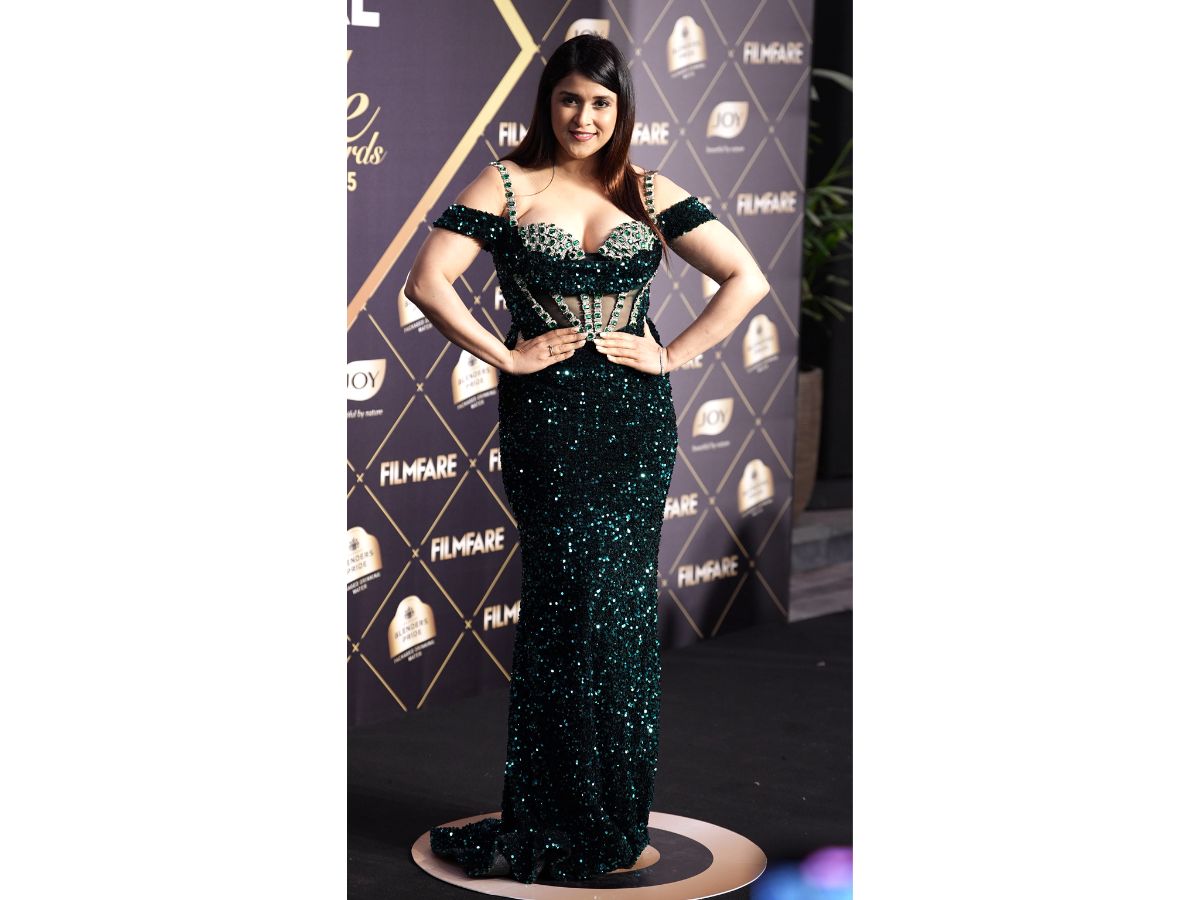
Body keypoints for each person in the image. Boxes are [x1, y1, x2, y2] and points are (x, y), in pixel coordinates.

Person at [406, 34, 770, 884]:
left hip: (635, 423)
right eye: (571, 99)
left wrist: (671, 354)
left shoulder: (646, 189)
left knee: (621, 612)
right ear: (548, 101)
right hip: (549, 422)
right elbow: (427, 281)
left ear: (621, 110)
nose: (584, 116)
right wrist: (508, 355)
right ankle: (557, 813)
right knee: (568, 606)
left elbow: (744, 278)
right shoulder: (506, 183)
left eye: (601, 103)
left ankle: (615, 818)